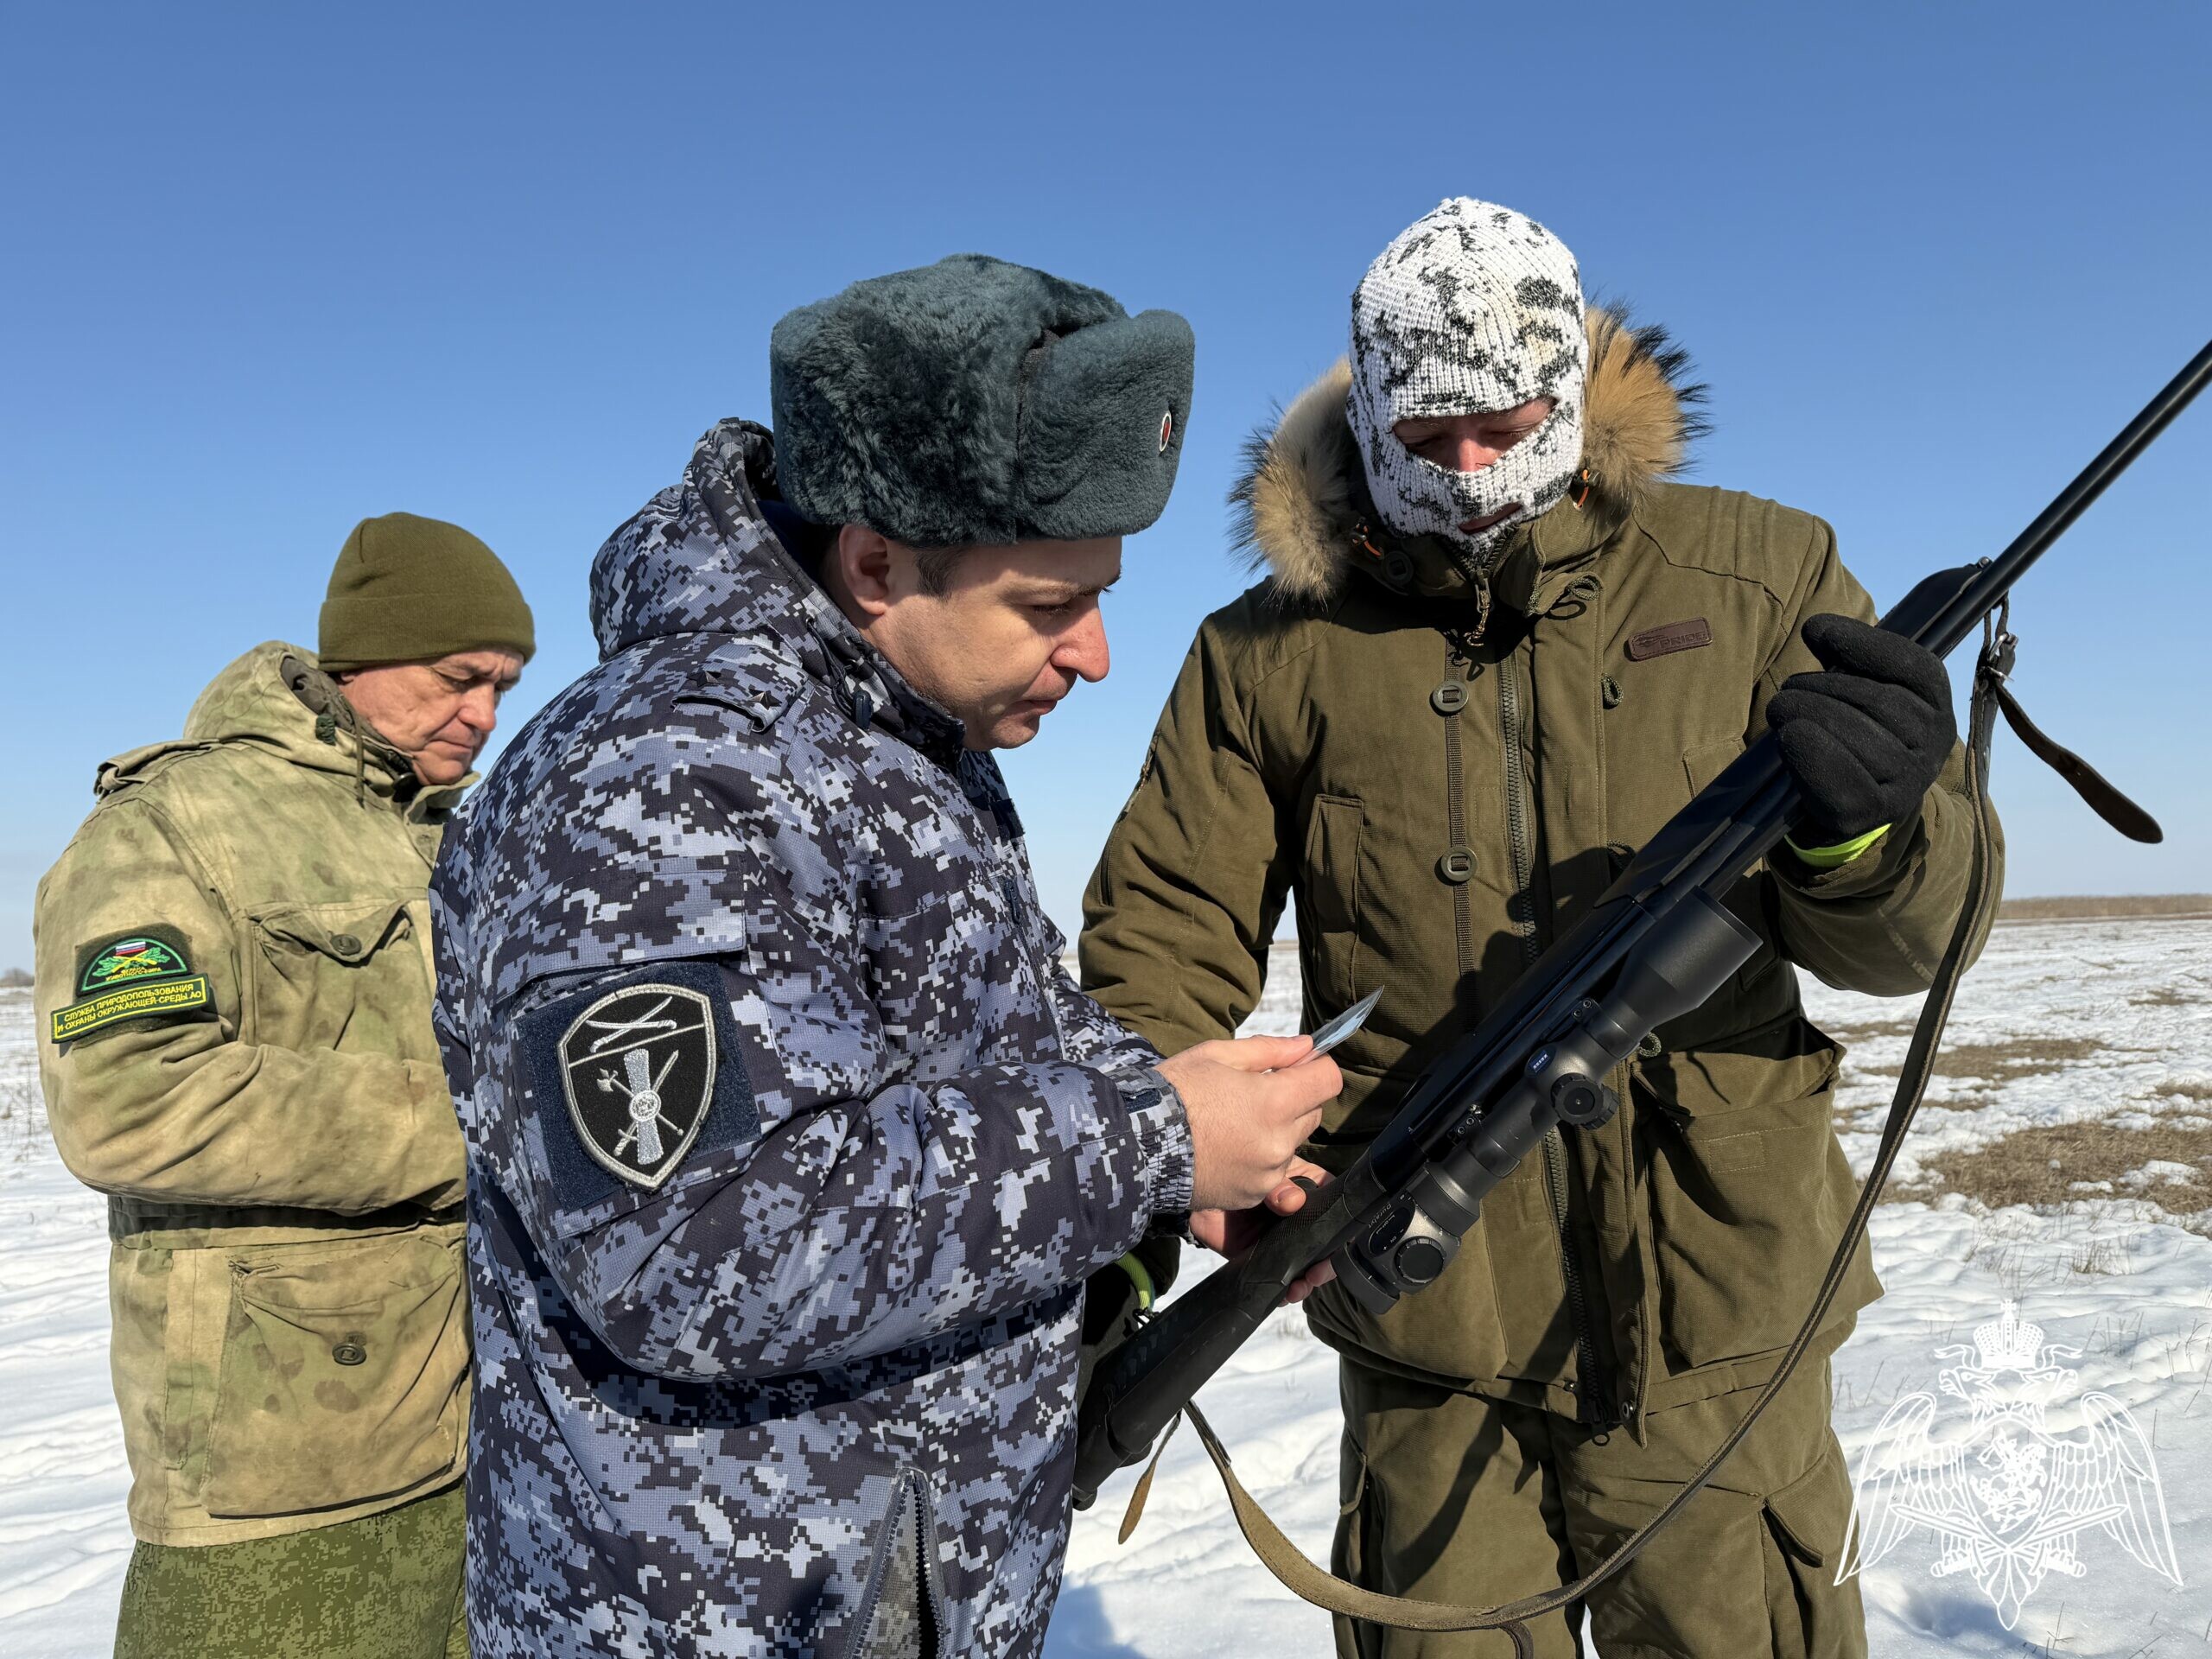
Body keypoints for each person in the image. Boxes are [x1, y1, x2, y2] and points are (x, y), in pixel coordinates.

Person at [1079, 199, 1999, 1659]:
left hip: (1716, 1311)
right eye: (1428, 433)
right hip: (1418, 1319)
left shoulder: (1762, 575)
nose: (1469, 469)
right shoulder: (1265, 653)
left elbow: (1909, 947)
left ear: (1569, 392)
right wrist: (1148, 1176)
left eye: (1504, 423)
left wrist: (1867, 830)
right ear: (1369, 408)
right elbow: (1163, 931)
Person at [429, 254, 1342, 1659]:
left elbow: (992, 1038)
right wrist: (1148, 1139)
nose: (1096, 655)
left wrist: (1201, 1167)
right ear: (874, 564)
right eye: (1051, 605)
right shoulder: (661, 777)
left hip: (908, 1597)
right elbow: (692, 1244)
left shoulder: (903, 745)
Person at [33, 512, 535, 1659]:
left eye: (505, 686)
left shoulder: (463, 841)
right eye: (461, 678)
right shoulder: (170, 827)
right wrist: (481, 1124)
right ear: (363, 657)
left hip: (486, 1431)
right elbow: (130, 1103)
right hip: (282, 1463)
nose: (486, 716)